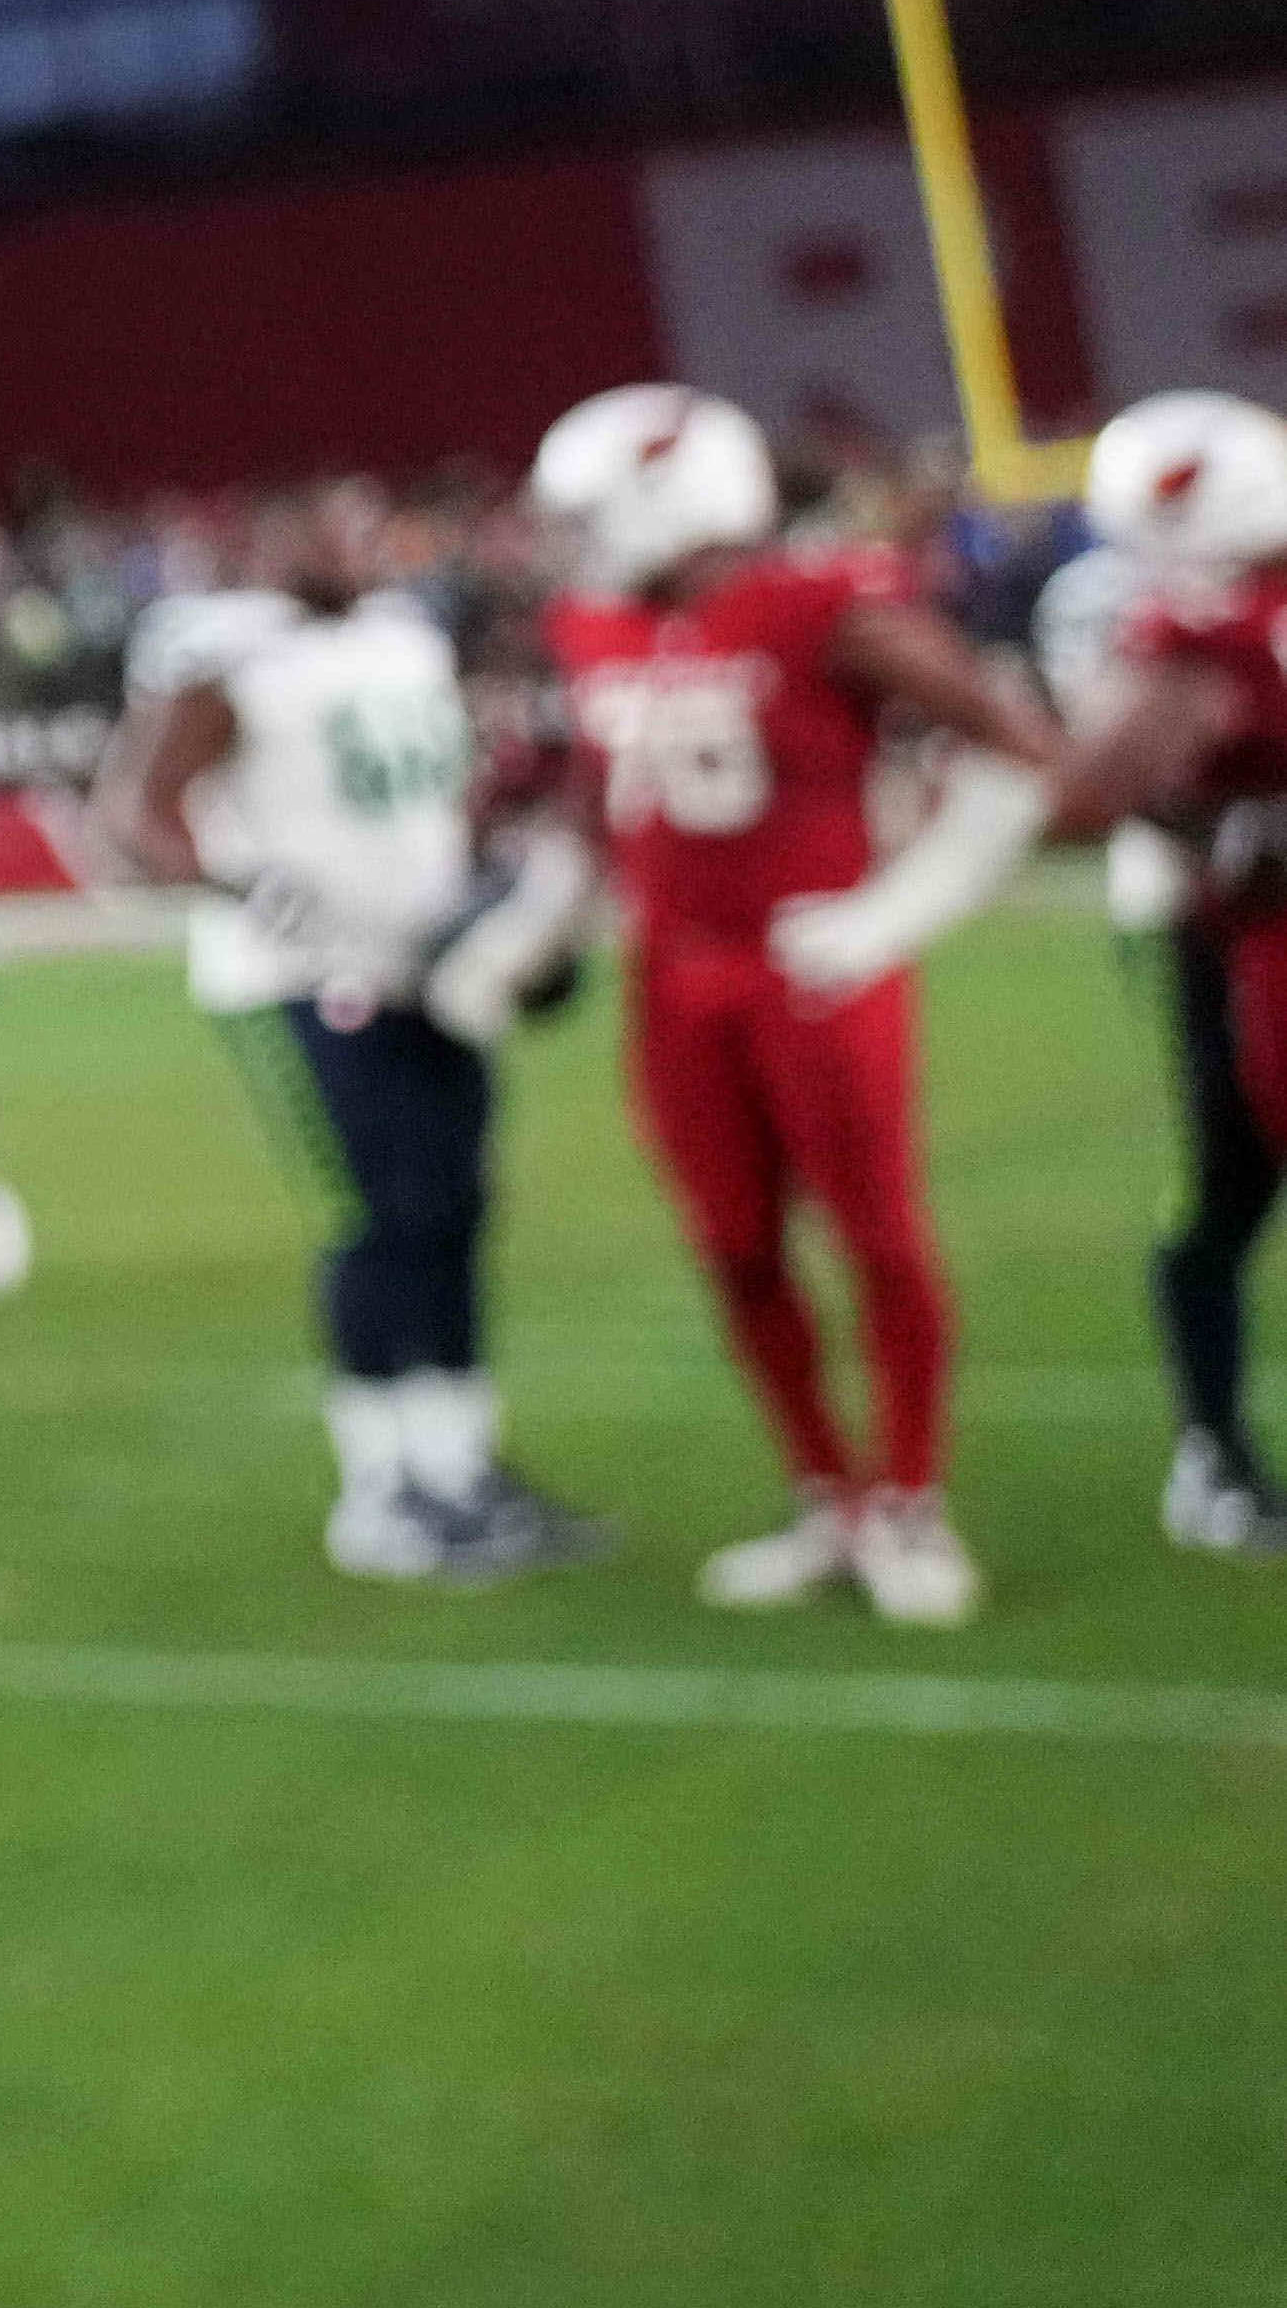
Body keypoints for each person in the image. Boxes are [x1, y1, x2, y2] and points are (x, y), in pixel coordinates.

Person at [516, 380, 1057, 1625]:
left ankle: (910, 1495)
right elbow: (599, 802)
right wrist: (528, 929)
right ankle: (826, 1489)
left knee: (875, 1235)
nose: (575, 539)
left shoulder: (820, 602)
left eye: (590, 511)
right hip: (672, 974)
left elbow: (1013, 749)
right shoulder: (591, 624)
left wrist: (894, 912)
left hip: (813, 966)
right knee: (733, 1245)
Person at [100, 505, 610, 1579]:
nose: (328, 546)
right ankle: (381, 1489)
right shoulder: (228, 660)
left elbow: (441, 794)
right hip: (304, 975)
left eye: (346, 528)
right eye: (302, 532)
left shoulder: (406, 639)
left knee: (456, 1205)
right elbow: (134, 812)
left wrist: (497, 900)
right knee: (380, 1214)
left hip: (430, 960)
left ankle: (460, 1465)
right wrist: (241, 884)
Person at [1036, 386, 1287, 1553]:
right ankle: (1212, 1455)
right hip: (1220, 924)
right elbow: (1103, 786)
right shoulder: (1139, 616)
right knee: (1222, 1185)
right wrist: (1223, 840)